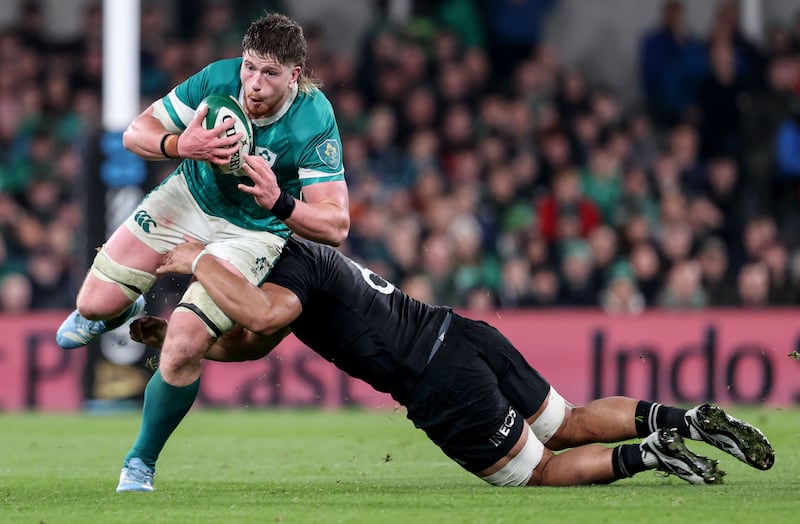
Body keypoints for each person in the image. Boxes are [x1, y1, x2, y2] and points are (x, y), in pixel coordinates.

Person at [122, 236, 775, 491]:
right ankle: (682, 418)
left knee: (538, 473)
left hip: (438, 381)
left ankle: (654, 453)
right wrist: (197, 342)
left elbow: (260, 319)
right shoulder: (305, 261)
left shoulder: (286, 270)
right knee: (568, 419)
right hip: (461, 334)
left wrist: (198, 260)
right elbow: (257, 339)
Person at [53, 13, 350, 490]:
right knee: (91, 305)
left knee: (184, 342)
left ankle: (139, 463)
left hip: (252, 232)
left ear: (295, 75)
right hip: (187, 199)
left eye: (269, 74)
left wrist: (280, 201)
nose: (253, 83)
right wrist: (179, 143)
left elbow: (336, 225)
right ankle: (120, 302)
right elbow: (134, 134)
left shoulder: (314, 117)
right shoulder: (217, 79)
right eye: (250, 68)